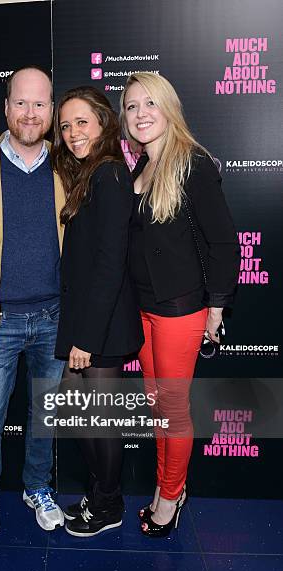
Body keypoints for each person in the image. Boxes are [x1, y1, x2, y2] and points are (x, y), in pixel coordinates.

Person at [120, 72, 240, 537]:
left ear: (169, 108)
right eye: (131, 106)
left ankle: (170, 496)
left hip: (180, 309)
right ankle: (164, 486)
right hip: (143, 309)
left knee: (172, 408)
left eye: (150, 103)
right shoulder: (140, 167)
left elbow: (224, 243)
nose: (141, 114)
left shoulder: (193, 163)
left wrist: (215, 309)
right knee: (158, 407)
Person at [0, 66, 66, 535]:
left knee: (45, 415)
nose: (30, 113)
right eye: (20, 103)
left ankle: (36, 486)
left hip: (53, 317)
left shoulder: (69, 167)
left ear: (51, 110)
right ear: (5, 107)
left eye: (39, 104)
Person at [52, 86, 144, 537]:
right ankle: (102, 494)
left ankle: (109, 506)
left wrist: (85, 338)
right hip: (94, 322)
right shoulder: (92, 172)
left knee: (100, 422)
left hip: (102, 328)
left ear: (104, 123)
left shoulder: (109, 174)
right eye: (65, 125)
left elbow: (110, 263)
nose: (72, 133)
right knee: (77, 411)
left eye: (81, 122)